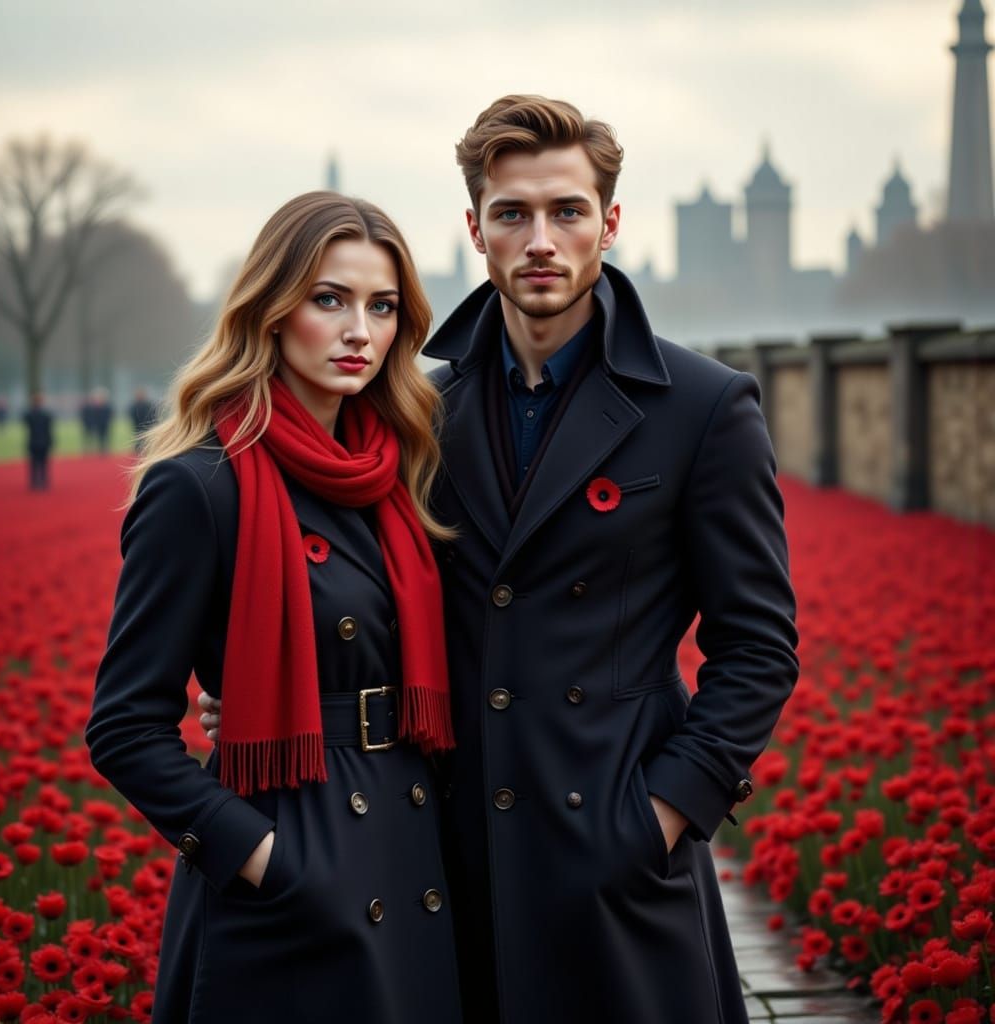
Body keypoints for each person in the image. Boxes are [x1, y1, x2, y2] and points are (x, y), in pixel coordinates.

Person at [201, 96, 800, 1023]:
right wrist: (262, 679)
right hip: (450, 852)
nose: (541, 240)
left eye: (567, 211)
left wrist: (661, 818)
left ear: (609, 221)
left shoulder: (703, 408)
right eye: (512, 214)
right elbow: (357, 593)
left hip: (615, 848)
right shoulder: (418, 413)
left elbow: (758, 647)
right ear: (475, 228)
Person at [86, 192, 463, 1024]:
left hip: (409, 850)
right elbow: (123, 729)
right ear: (271, 309)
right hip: (292, 870)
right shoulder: (200, 484)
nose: (358, 329)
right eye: (329, 299)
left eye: (383, 305)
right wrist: (269, 863)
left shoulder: (397, 474)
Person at [24, 391, 54, 490]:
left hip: (33, 442)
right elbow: (49, 430)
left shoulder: (29, 414)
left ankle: (34, 482)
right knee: (43, 463)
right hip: (44, 442)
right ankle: (43, 482)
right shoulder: (47, 415)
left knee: (34, 463)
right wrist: (51, 442)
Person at [128, 386, 158, 453]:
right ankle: (137, 451)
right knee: (138, 440)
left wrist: (151, 424)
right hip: (137, 426)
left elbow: (153, 415)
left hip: (147, 426)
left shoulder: (149, 405)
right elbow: (131, 415)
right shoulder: (133, 406)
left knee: (147, 441)